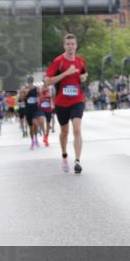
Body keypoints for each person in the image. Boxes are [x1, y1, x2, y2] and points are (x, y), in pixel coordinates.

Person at [45, 33, 88, 174]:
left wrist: (83, 77)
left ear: (76, 46)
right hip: (61, 102)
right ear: (64, 46)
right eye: (68, 44)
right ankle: (64, 155)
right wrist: (65, 73)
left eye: (72, 44)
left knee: (77, 128)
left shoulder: (81, 61)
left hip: (77, 100)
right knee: (65, 132)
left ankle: (77, 161)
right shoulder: (59, 62)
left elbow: (83, 74)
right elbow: (48, 81)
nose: (70, 46)